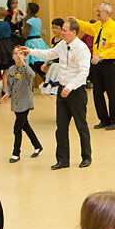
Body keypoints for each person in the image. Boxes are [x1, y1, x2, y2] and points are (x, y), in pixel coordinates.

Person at [20, 20, 92, 169]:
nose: (62, 33)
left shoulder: (82, 49)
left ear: (73, 32)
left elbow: (84, 73)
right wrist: (30, 51)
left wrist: (70, 87)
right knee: (61, 127)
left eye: (65, 30)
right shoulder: (62, 44)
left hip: (76, 91)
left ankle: (86, 157)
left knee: (81, 126)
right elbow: (49, 53)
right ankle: (62, 160)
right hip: (62, 90)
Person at [74, 1, 115, 130]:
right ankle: (104, 119)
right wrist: (76, 21)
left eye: (99, 12)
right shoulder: (99, 25)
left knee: (111, 93)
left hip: (109, 64)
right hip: (97, 65)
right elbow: (88, 27)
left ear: (106, 13)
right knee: (97, 93)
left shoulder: (114, 27)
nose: (97, 14)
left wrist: (101, 55)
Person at [0, 46, 43, 162]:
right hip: (16, 103)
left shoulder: (26, 69)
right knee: (25, 126)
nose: (17, 56)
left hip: (25, 102)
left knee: (17, 128)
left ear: (25, 56)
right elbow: (10, 85)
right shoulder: (11, 70)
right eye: (15, 54)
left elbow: (32, 76)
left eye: (20, 54)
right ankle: (38, 146)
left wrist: (23, 62)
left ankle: (16, 153)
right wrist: (7, 93)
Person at [23, 2, 50, 67]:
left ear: (29, 10)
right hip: (39, 42)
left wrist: (24, 22)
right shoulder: (38, 19)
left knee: (32, 64)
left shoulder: (29, 21)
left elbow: (24, 34)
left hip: (31, 42)